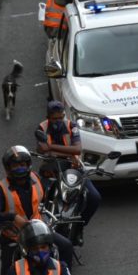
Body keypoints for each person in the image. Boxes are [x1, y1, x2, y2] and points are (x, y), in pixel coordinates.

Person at [0, 146, 75, 275]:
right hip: (14, 237)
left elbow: (46, 198)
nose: (20, 168)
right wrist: (13, 217)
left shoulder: (36, 179)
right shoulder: (0, 188)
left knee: (66, 246)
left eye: (23, 164)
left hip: (39, 232)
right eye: (15, 165)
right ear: (8, 168)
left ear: (29, 165)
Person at [35, 101, 101, 245]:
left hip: (72, 167)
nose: (58, 121)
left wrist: (51, 148)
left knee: (94, 198)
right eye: (55, 119)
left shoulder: (72, 126)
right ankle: (41, 230)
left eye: (61, 118)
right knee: (40, 199)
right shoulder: (42, 127)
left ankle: (79, 227)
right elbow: (41, 149)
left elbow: (77, 149)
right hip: (51, 170)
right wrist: (60, 150)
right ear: (48, 117)